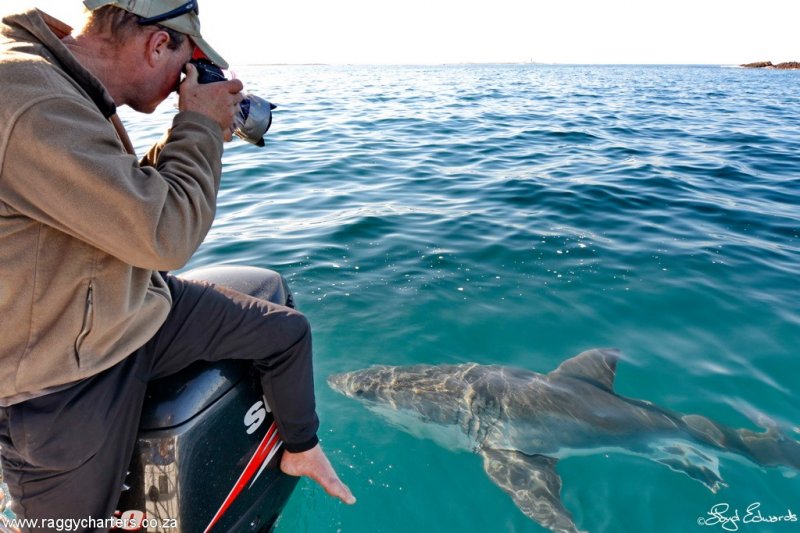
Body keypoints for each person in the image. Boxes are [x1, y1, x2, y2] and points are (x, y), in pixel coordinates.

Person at [0, 0, 355, 529]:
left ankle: (299, 449)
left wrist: (193, 131)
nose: (181, 83)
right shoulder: (31, 99)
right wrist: (198, 125)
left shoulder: (63, 83)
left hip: (127, 307)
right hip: (60, 369)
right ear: (157, 43)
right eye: (185, 64)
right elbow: (165, 235)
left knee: (285, 334)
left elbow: (113, 195)